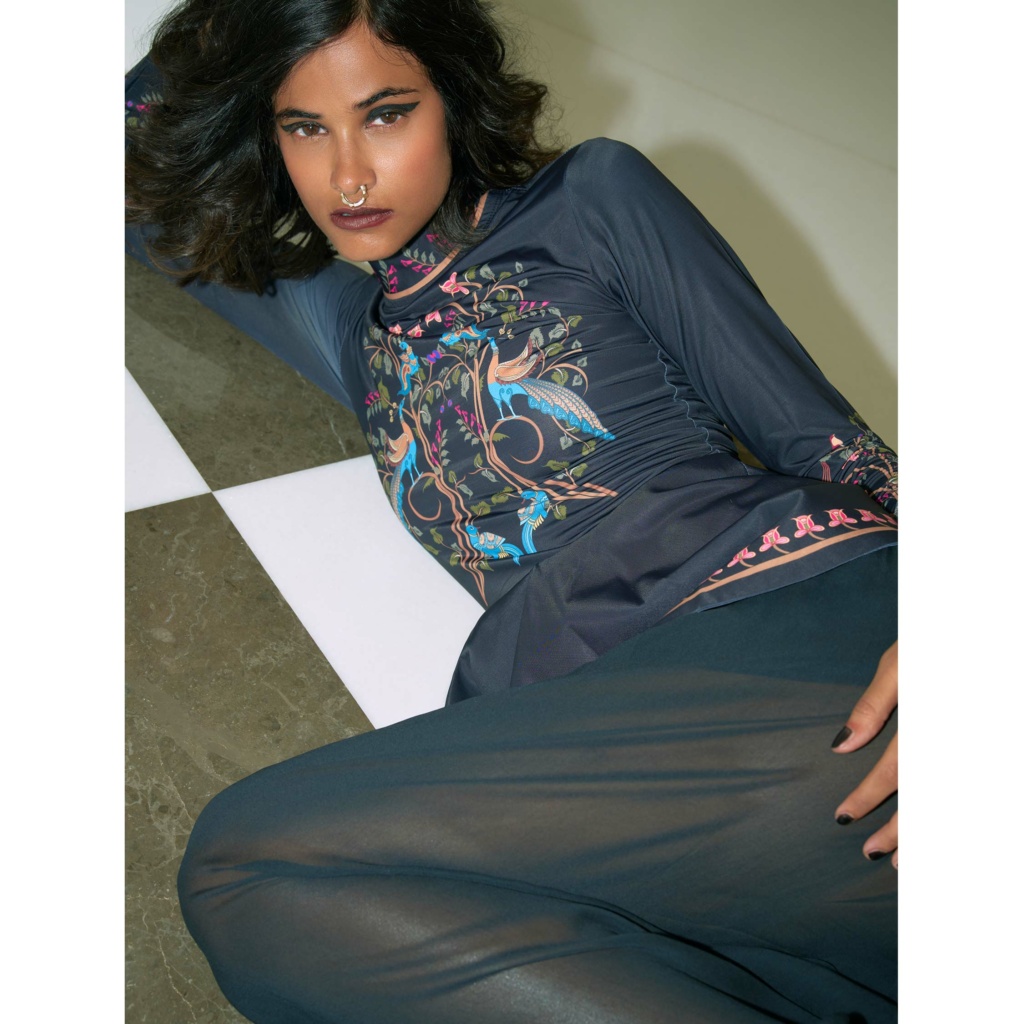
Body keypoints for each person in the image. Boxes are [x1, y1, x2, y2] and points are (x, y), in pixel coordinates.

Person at [126, 1, 898, 1020]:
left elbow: (832, 447)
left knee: (249, 862)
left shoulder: (586, 199)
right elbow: (136, 146)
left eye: (387, 114)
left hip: (789, 644)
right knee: (266, 899)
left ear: (454, 99)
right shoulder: (355, 332)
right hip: (594, 734)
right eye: (305, 128)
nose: (348, 175)